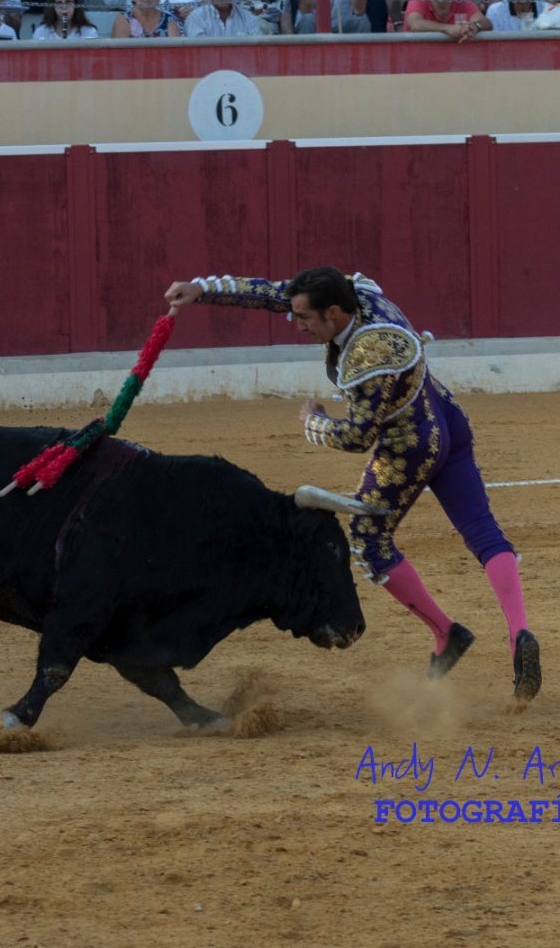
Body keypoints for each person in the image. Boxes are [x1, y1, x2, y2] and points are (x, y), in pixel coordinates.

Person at [162, 267, 540, 701]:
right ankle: (520, 634)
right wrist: (203, 289)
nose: (297, 323)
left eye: (305, 318)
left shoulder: (367, 356)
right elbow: (274, 293)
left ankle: (445, 632)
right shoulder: (361, 293)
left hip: (410, 445)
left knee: (367, 539)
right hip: (445, 415)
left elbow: (359, 435)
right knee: (482, 529)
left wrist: (313, 422)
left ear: (335, 313)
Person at [33, 0, 100, 37]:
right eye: (59, 3)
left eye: (68, 2)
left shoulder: (89, 32)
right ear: (52, 7)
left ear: (75, 4)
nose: (64, 7)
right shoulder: (41, 32)